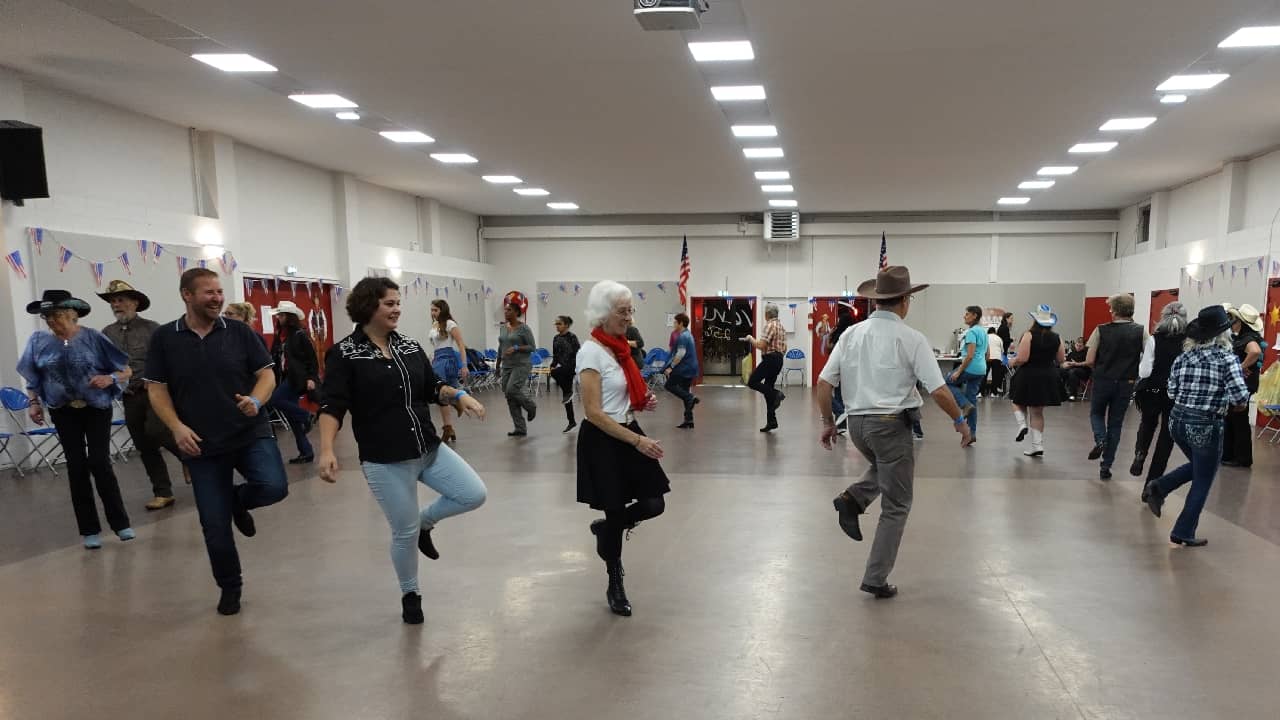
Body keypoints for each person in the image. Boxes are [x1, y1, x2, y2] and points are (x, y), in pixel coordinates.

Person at [317, 277, 488, 625]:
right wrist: (326, 449)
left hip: (427, 447)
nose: (397, 309)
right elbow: (332, 406)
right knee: (404, 532)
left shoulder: (409, 346)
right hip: (385, 459)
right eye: (389, 303)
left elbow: (431, 386)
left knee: (473, 494)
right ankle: (411, 593)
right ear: (368, 307)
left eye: (398, 303)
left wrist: (458, 395)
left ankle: (427, 521)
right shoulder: (344, 354)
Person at [818, 267, 972, 600]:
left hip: (857, 424)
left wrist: (828, 422)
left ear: (877, 301)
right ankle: (875, 578)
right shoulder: (912, 338)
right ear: (905, 301)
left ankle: (853, 499)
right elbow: (940, 390)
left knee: (886, 469)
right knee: (897, 504)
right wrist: (960, 421)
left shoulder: (850, 335)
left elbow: (823, 383)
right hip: (890, 424)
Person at [146, 268, 289, 616]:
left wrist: (256, 401)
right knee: (214, 526)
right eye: (208, 292)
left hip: (248, 432)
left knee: (273, 486)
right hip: (200, 443)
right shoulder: (166, 338)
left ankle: (238, 502)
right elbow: (156, 388)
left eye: (219, 291)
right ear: (186, 295)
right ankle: (230, 586)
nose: (217, 298)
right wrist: (177, 427)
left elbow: (267, 374)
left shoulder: (239, 332)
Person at [576, 281, 668, 616]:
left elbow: (620, 393)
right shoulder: (590, 352)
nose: (629, 317)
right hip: (604, 439)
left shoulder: (619, 348)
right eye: (622, 311)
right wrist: (638, 440)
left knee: (654, 502)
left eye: (631, 309)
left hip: (627, 428)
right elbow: (593, 412)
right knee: (614, 511)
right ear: (603, 313)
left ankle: (606, 530)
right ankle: (615, 582)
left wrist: (641, 402)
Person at [17, 290, 136, 549]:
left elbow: (126, 369)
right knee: (76, 466)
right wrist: (34, 402)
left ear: (72, 314)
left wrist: (110, 379)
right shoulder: (38, 341)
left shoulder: (93, 337)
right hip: (63, 410)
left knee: (99, 462)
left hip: (96, 407)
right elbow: (32, 376)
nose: (50, 321)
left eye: (56, 315)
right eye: (46, 316)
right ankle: (89, 530)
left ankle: (121, 523)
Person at [1143, 305, 1251, 547]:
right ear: (1223, 334)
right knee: (1204, 477)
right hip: (1206, 424)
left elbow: (1171, 391)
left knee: (1201, 467)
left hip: (1177, 420)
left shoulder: (1183, 358)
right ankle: (1182, 530)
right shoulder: (1227, 359)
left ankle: (1160, 486)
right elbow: (1240, 398)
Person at [99, 279, 180, 511]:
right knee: (144, 445)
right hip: (129, 394)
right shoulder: (107, 333)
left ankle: (194, 461)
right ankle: (163, 492)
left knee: (158, 432)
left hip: (155, 391)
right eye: (113, 301)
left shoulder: (152, 328)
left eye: (121, 300)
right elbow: (105, 363)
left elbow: (169, 359)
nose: (117, 305)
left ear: (135, 302)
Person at [1084, 293, 1147, 480]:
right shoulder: (1141, 331)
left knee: (1096, 413)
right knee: (1116, 423)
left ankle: (1100, 439)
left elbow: (1089, 360)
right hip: (1126, 382)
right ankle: (1106, 465)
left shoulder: (1100, 330)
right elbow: (1150, 355)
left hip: (1103, 379)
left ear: (1114, 310)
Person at [1131, 303, 1187, 485]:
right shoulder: (1189, 342)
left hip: (1152, 389)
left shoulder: (1154, 339)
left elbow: (1145, 371)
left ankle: (1140, 452)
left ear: (1162, 317)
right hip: (1175, 394)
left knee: (1147, 423)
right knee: (1166, 435)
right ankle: (1152, 482)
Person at [1008, 305, 1065, 457]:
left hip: (1029, 374)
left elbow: (1023, 358)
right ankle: (1037, 445)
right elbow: (1061, 359)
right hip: (1048, 375)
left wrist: (1013, 361)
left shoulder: (1028, 335)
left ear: (1035, 319)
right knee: (1037, 411)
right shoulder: (1057, 337)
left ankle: (1021, 425)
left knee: (1016, 400)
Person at [268, 301, 319, 464]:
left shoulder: (300, 335)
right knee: (292, 419)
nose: (279, 318)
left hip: (297, 378)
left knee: (274, 399)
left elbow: (312, 358)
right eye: (279, 315)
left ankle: (307, 416)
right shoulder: (281, 335)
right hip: (284, 376)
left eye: (282, 315)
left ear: (289, 317)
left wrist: (311, 377)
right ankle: (306, 452)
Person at [1221, 304, 1264, 468]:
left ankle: (1241, 458)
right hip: (1243, 384)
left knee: (1238, 421)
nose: (1232, 322)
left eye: (1234, 319)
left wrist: (1240, 368)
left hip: (1243, 385)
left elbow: (1255, 352)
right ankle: (1233, 455)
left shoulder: (1248, 339)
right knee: (1234, 419)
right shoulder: (1245, 336)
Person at [428, 299, 470, 444]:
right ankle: (449, 427)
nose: (433, 313)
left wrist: (464, 365)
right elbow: (435, 345)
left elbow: (460, 344)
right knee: (442, 394)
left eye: (436, 310)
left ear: (443, 310)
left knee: (441, 393)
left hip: (447, 360)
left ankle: (449, 424)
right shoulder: (434, 325)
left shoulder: (450, 324)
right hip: (437, 359)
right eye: (432, 310)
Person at [945, 305, 986, 441]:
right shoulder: (983, 331)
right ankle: (971, 434)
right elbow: (987, 353)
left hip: (970, 367)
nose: (964, 316)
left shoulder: (972, 332)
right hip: (981, 369)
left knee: (948, 381)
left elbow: (969, 356)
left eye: (967, 314)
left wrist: (959, 372)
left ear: (975, 315)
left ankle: (964, 404)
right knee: (972, 399)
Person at [497, 298, 537, 437]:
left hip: (521, 364)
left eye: (509, 310)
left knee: (511, 389)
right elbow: (500, 346)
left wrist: (516, 348)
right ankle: (520, 428)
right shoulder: (502, 328)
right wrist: (497, 366)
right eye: (505, 310)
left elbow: (532, 347)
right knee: (509, 395)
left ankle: (530, 406)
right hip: (506, 365)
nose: (506, 312)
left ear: (516, 312)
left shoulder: (524, 328)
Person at [745, 304, 787, 432]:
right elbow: (785, 348)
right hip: (778, 359)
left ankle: (777, 394)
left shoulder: (769, 325)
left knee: (752, 381)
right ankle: (772, 421)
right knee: (767, 389)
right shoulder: (781, 327)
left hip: (770, 359)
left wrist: (751, 339)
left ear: (767, 314)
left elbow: (762, 345)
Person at [662, 312, 700, 429]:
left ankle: (690, 398)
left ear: (681, 323)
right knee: (684, 392)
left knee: (669, 385)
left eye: (675, 322)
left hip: (684, 369)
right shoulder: (688, 334)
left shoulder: (683, 336)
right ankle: (689, 420)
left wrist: (670, 367)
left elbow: (680, 354)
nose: (673, 324)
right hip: (690, 368)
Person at [826, 303, 857, 434]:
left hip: (837, 368)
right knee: (839, 396)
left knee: (826, 394)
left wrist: (829, 335)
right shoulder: (853, 334)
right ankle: (842, 426)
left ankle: (840, 414)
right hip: (849, 368)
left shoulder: (839, 334)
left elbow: (829, 349)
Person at [551, 315, 581, 433]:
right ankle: (571, 421)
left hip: (572, 366)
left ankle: (568, 392)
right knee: (566, 396)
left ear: (566, 325)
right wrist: (553, 363)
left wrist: (575, 365)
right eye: (556, 324)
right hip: (562, 366)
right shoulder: (556, 338)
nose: (557, 326)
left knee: (557, 373)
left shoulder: (572, 337)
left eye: (559, 324)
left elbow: (578, 352)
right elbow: (556, 354)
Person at [984, 326, 1005, 398]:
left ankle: (981, 392)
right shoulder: (998, 338)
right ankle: (994, 393)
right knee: (995, 376)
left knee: (984, 375)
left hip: (987, 357)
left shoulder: (985, 337)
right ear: (995, 332)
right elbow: (1002, 350)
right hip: (997, 358)